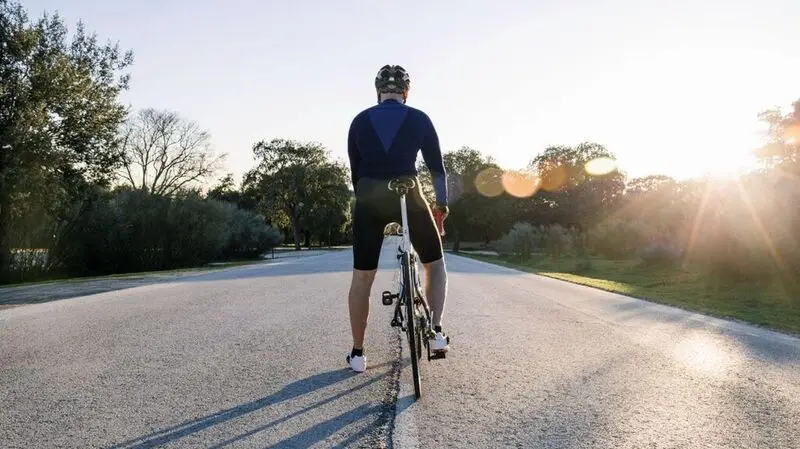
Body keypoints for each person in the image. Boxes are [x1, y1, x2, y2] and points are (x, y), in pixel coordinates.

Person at [345, 64, 450, 372]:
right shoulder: (419, 118)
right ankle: (436, 332)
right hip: (409, 193)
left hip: (368, 197)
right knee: (434, 263)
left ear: (378, 91)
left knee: (362, 277)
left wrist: (366, 203)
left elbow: (356, 171)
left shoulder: (359, 120)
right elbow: (437, 171)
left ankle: (358, 354)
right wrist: (441, 207)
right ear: (407, 91)